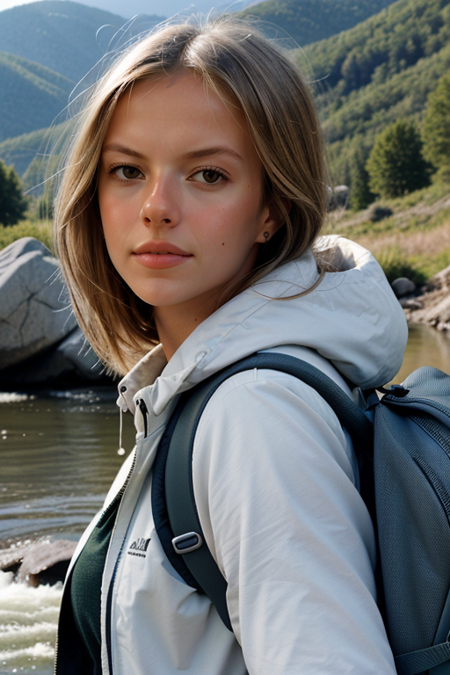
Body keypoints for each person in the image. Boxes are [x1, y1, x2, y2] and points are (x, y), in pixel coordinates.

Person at [53, 17, 408, 674]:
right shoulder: (208, 389)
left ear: (271, 206)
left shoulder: (255, 414)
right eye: (127, 170)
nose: (156, 206)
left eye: (208, 175)